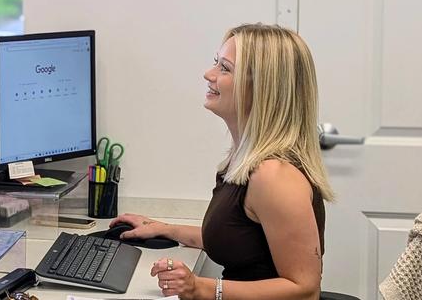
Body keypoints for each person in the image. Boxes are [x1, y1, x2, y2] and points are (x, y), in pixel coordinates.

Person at [111, 23, 335, 300]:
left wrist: (200, 287)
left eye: (225, 68)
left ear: (261, 88)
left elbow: (304, 290)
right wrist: (166, 229)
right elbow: (243, 241)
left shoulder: (274, 176)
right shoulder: (246, 159)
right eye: (216, 63)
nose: (209, 74)